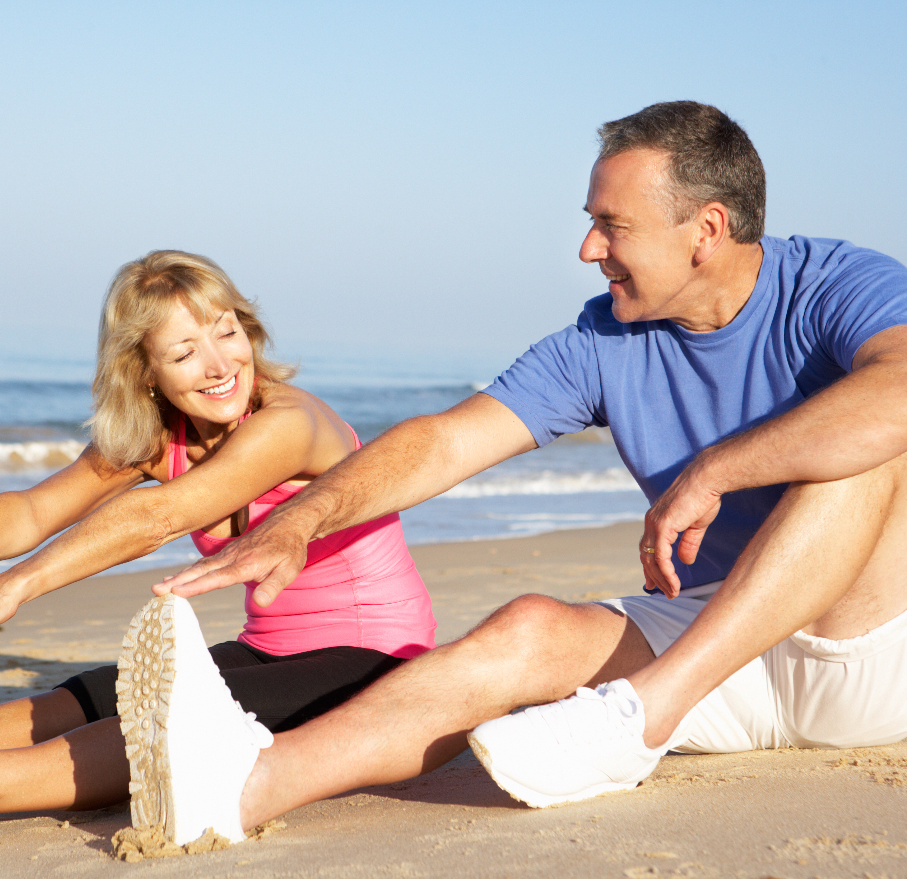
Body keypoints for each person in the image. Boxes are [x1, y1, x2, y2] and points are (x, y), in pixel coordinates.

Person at [115, 101, 907, 844]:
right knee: (526, 628)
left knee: (866, 437)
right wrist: (304, 516)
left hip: (872, 649)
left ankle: (646, 717)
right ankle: (247, 786)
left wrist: (716, 469)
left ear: (705, 228)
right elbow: (447, 441)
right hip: (728, 646)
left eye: (611, 225)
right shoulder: (606, 340)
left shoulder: (834, 286)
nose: (589, 249)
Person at [0, 250, 436, 857]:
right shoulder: (160, 435)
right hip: (270, 649)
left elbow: (161, 516)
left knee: (163, 722)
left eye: (227, 331)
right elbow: (32, 509)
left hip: (377, 661)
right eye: (186, 350)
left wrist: (15, 587)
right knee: (91, 693)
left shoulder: (292, 423)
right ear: (145, 371)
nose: (221, 363)